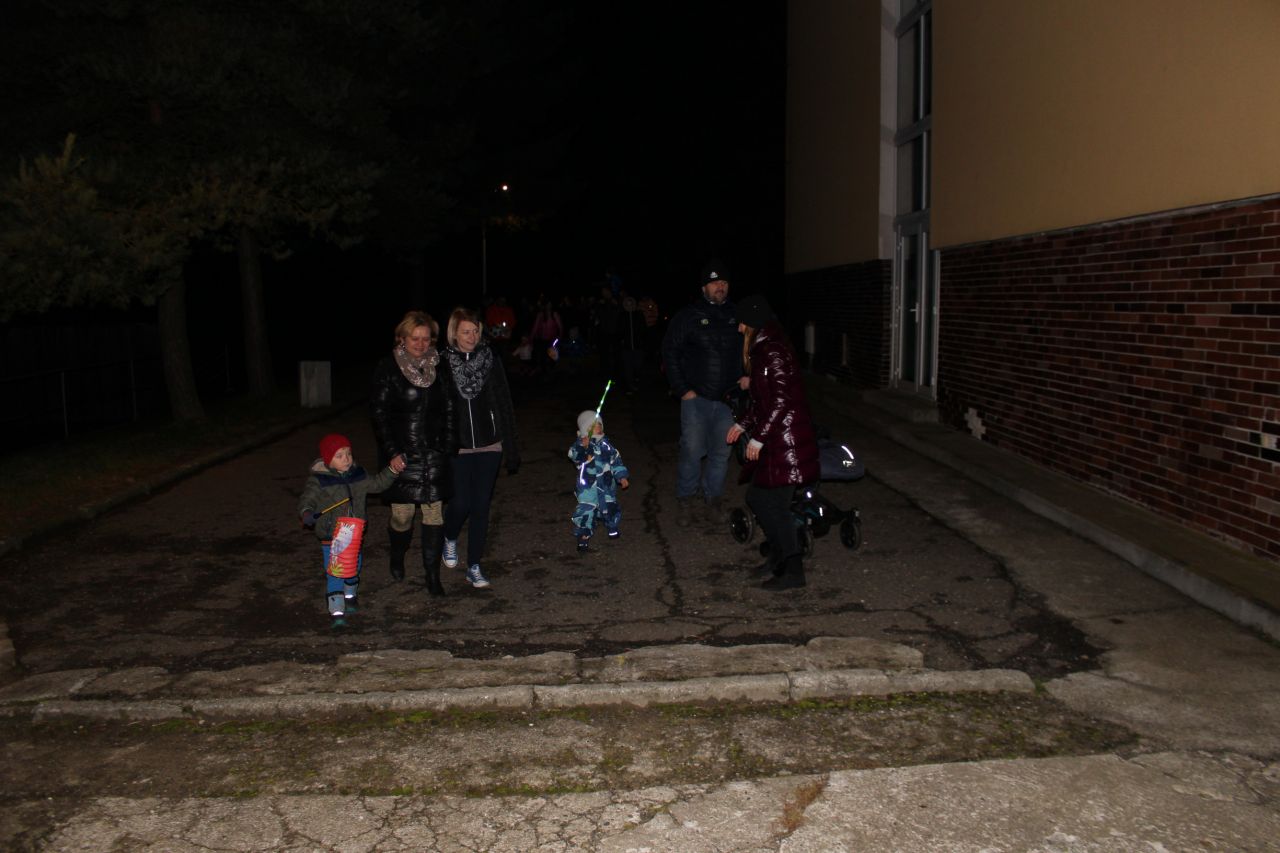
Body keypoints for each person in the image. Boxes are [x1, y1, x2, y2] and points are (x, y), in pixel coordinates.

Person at [725, 294, 819, 590]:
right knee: (758, 498)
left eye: (742, 322)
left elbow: (781, 401)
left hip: (787, 441)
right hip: (778, 439)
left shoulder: (773, 350)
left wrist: (758, 439)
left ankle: (793, 570)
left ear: (752, 322)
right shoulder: (763, 348)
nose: (739, 328)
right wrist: (742, 424)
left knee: (774, 505)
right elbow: (762, 401)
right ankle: (779, 555)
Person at [370, 310, 457, 596]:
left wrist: (448, 443)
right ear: (402, 338)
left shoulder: (439, 367)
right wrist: (392, 452)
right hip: (403, 456)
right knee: (402, 516)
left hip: (433, 454)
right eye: (414, 338)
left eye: (425, 338)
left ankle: (432, 575)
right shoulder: (388, 368)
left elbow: (449, 408)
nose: (420, 344)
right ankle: (397, 554)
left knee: (434, 514)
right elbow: (379, 415)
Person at [440, 307, 520, 590]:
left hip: (490, 443)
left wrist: (511, 447)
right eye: (466, 332)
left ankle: (474, 565)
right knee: (460, 503)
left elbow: (504, 401)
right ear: (454, 333)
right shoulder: (442, 364)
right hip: (458, 446)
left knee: (481, 506)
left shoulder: (490, 360)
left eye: (475, 331)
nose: (472, 337)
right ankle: (449, 536)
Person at [661, 259, 744, 529]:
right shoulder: (688, 316)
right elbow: (670, 352)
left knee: (721, 454)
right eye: (714, 282)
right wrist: (682, 389)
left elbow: (750, 349)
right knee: (692, 451)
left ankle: (713, 500)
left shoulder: (737, 314)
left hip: (728, 400)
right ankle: (686, 499)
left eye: (724, 282)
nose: (720, 286)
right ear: (704, 287)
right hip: (696, 400)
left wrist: (748, 377)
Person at [298, 433, 406, 628]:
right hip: (331, 536)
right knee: (335, 572)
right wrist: (306, 512)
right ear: (328, 459)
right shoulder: (319, 480)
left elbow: (378, 483)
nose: (346, 459)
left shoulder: (359, 475)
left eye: (348, 453)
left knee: (353, 569)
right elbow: (308, 499)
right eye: (339, 456)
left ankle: (350, 596)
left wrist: (392, 469)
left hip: (354, 535)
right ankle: (336, 610)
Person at [568, 409, 630, 552]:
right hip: (587, 487)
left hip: (606, 484)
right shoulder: (581, 444)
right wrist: (582, 447)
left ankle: (612, 525)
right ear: (586, 430)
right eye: (594, 425)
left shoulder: (607, 446)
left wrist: (621, 476)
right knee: (586, 508)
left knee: (609, 506)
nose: (598, 427)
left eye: (599, 424)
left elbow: (616, 460)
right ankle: (583, 534)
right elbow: (573, 455)